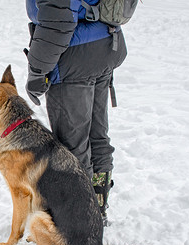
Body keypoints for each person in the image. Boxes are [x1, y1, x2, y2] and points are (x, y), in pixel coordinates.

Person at [24, 0, 127, 226]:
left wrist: (37, 72)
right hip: (106, 44)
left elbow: (57, 20)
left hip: (74, 55)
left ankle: (80, 219)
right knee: (96, 135)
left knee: (72, 146)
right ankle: (97, 207)